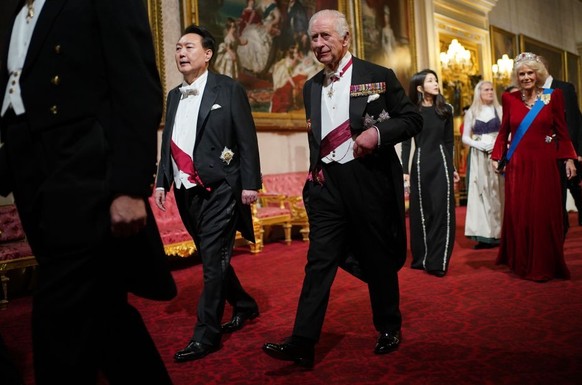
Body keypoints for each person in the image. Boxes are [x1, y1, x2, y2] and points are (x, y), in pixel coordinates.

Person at [0, 1, 177, 385]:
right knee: (103, 315)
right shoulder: (12, 7)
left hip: (85, 173)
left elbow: (136, 83)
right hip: (32, 179)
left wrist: (130, 187)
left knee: (59, 319)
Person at [262, 9, 422, 368]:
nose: (317, 44)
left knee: (377, 257)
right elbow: (316, 138)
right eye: (313, 38)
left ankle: (388, 327)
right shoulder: (310, 85)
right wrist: (315, 175)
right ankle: (303, 341)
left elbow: (411, 119)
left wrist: (377, 133)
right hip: (328, 189)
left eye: (325, 37)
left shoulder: (378, 77)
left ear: (345, 38)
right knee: (318, 262)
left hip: (368, 182)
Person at [154, 24, 262, 362]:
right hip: (187, 191)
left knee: (211, 262)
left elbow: (247, 139)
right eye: (177, 48)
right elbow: (169, 141)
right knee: (213, 255)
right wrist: (162, 181)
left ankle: (207, 334)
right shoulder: (173, 95)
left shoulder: (228, 90)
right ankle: (244, 304)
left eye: (188, 47)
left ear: (208, 53)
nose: (181, 53)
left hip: (221, 188)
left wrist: (250, 184)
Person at [491, 52, 577, 282]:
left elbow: (561, 130)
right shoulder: (510, 99)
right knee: (522, 214)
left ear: (537, 74)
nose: (526, 77)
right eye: (522, 74)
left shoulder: (552, 96)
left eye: (530, 73)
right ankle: (522, 262)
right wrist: (497, 156)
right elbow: (504, 133)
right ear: (516, 77)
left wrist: (569, 158)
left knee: (544, 213)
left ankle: (546, 263)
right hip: (519, 165)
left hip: (546, 163)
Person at [401, 69, 459, 277]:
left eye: (436, 80)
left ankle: (438, 261)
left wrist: (452, 168)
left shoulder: (446, 109)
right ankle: (422, 258)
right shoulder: (412, 112)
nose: (436, 83)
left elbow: (449, 142)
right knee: (421, 213)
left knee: (442, 211)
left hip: (441, 164)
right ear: (419, 87)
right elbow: (406, 143)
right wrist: (405, 172)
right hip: (419, 165)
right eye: (430, 81)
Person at [538, 55, 582, 230]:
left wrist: (574, 152)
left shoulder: (564, 88)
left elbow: (573, 121)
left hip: (564, 152)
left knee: (570, 191)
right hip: (543, 154)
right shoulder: (533, 92)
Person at [462, 80, 504, 249]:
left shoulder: (500, 110)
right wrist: (478, 144)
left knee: (497, 191)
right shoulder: (472, 112)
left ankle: (499, 232)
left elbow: (506, 133)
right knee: (480, 192)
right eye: (486, 89)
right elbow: (465, 136)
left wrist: (497, 144)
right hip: (478, 156)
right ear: (478, 92)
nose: (490, 92)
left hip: (496, 154)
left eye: (492, 89)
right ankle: (483, 234)